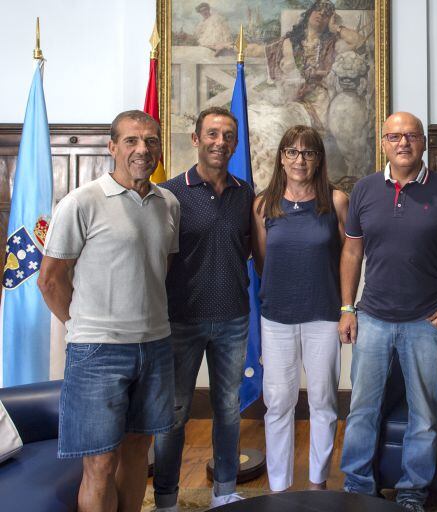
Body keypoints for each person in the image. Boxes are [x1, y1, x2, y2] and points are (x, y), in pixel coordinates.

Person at [37, 110, 180, 512]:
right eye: (132, 141)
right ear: (112, 147)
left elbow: (158, 267)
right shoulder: (81, 202)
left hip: (155, 347)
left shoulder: (167, 203)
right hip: (97, 352)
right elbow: (50, 280)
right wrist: (83, 325)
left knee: (139, 451)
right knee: (100, 462)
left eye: (151, 141)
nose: (143, 149)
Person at [339, 112, 437, 512]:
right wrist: (347, 307)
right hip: (372, 317)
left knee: (423, 414)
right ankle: (357, 486)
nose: (403, 143)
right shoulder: (366, 190)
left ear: (423, 143)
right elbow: (352, 251)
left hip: (426, 322)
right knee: (361, 409)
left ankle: (411, 494)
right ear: (383, 143)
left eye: (411, 136)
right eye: (394, 136)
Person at [153, 107, 255, 510]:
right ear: (196, 139)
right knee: (175, 411)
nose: (220, 142)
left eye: (228, 135)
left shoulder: (244, 191)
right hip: (181, 320)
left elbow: (244, 247)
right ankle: (165, 497)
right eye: (212, 134)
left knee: (228, 409)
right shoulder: (172, 193)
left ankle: (224, 490)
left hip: (233, 317)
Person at [253, 125, 348, 492]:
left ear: (318, 159)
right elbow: (262, 261)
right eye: (291, 152)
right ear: (281, 157)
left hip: (324, 315)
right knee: (278, 403)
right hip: (276, 316)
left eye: (308, 153)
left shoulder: (336, 201)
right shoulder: (263, 204)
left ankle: (317, 482)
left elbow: (347, 258)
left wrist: (345, 308)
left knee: (323, 399)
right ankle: (278, 486)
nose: (299, 160)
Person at [266, 0, 365, 128]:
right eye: (318, 10)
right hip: (289, 96)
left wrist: (336, 28)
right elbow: (259, 50)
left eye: (326, 14)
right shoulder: (289, 42)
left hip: (317, 100)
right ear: (309, 13)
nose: (321, 14)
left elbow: (359, 42)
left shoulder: (332, 44)